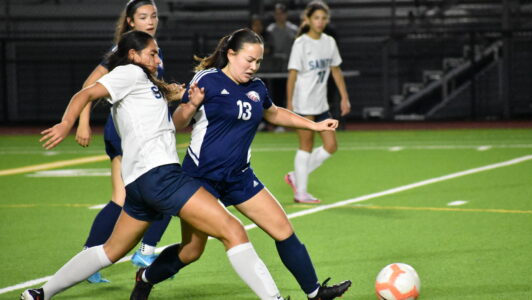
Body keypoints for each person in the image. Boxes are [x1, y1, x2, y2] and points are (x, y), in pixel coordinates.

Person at [22, 30, 287, 300]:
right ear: (133, 55)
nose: (158, 58)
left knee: (110, 251)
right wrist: (68, 123)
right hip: (160, 175)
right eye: (152, 52)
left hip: (138, 183)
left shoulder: (145, 82)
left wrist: (187, 98)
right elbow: (85, 94)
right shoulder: (129, 73)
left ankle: (41, 293)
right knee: (233, 230)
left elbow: (160, 103)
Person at [129, 28, 351, 300]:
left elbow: (275, 113)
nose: (253, 66)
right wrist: (188, 106)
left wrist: (314, 125)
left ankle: (315, 292)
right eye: (249, 60)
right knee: (192, 251)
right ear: (231, 54)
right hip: (200, 179)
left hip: (239, 177)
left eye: (258, 61)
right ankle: (145, 278)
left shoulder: (257, 87)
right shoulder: (207, 80)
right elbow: (176, 123)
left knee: (283, 229)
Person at [74, 0, 172, 283]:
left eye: (153, 15)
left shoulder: (150, 49)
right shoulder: (124, 51)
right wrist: (82, 121)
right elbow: (90, 86)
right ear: (130, 21)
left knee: (120, 198)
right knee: (168, 190)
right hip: (128, 133)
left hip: (135, 132)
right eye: (143, 16)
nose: (150, 20)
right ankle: (146, 251)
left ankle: (89, 259)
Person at [285, 1, 351, 204]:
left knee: (331, 145)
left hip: (321, 103)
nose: (320, 22)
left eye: (323, 18)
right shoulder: (301, 43)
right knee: (306, 145)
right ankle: (301, 193)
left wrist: (344, 97)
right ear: (308, 20)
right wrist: (289, 103)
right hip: (303, 102)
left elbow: (336, 70)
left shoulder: (329, 42)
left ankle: (296, 175)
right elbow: (292, 75)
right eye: (316, 18)